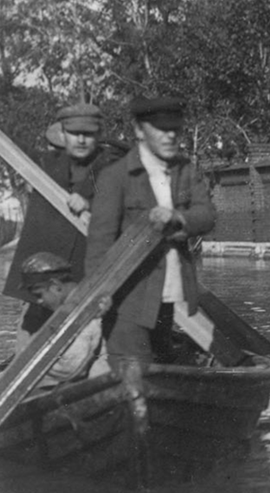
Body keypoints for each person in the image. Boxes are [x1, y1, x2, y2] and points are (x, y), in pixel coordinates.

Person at [86, 96, 216, 365]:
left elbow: (207, 216)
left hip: (169, 295)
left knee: (160, 369)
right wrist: (98, 294)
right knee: (133, 371)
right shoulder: (116, 176)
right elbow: (100, 243)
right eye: (160, 129)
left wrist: (178, 216)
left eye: (175, 130)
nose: (170, 136)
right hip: (128, 300)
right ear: (138, 130)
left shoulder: (185, 171)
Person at [3, 102, 122, 336]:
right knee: (29, 339)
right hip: (39, 284)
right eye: (74, 133)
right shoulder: (46, 164)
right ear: (63, 134)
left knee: (88, 343)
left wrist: (92, 205)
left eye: (88, 134)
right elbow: (3, 143)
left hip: (83, 279)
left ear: (98, 135)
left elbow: (130, 206)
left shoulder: (114, 166)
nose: (81, 140)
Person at [12, 251, 111, 395]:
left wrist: (31, 355)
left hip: (98, 384)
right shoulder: (74, 304)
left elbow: (71, 367)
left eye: (39, 294)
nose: (39, 301)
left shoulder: (84, 309)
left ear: (56, 285)